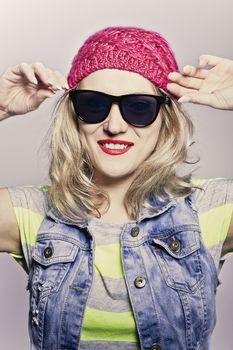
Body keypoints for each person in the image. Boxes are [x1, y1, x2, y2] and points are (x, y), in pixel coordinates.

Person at [0, 26, 232, 350]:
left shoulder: (209, 209)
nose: (114, 125)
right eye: (94, 105)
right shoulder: (35, 214)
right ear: (74, 114)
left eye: (138, 107)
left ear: (166, 118)